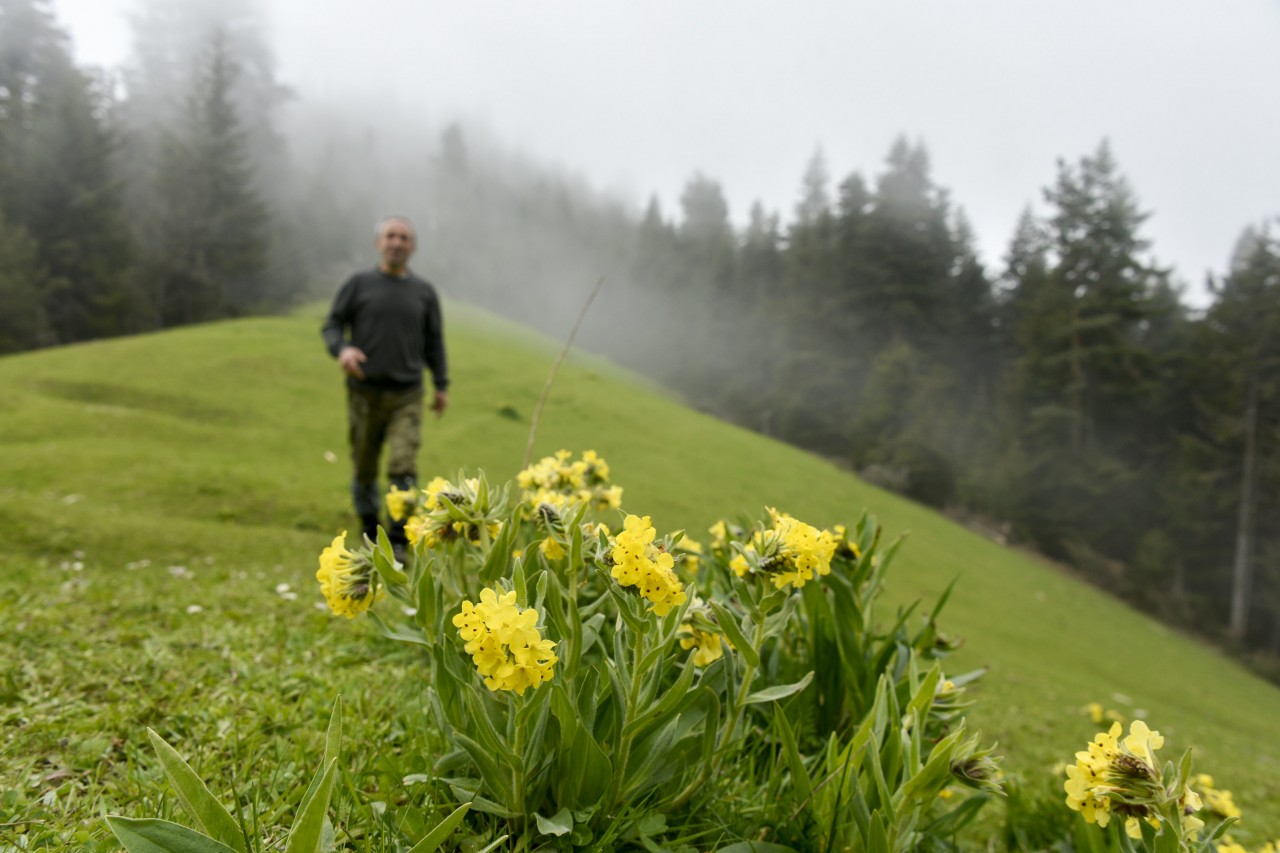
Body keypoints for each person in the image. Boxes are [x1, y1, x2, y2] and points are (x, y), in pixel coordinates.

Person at [321, 215, 449, 556]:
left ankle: (399, 538)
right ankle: (368, 528)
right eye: (391, 236)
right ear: (379, 243)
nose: (397, 242)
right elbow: (332, 325)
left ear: (413, 247)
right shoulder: (359, 284)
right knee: (364, 464)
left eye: (404, 237)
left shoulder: (424, 292)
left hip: (407, 393)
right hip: (363, 392)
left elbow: (434, 341)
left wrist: (441, 384)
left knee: (403, 465)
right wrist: (343, 349)